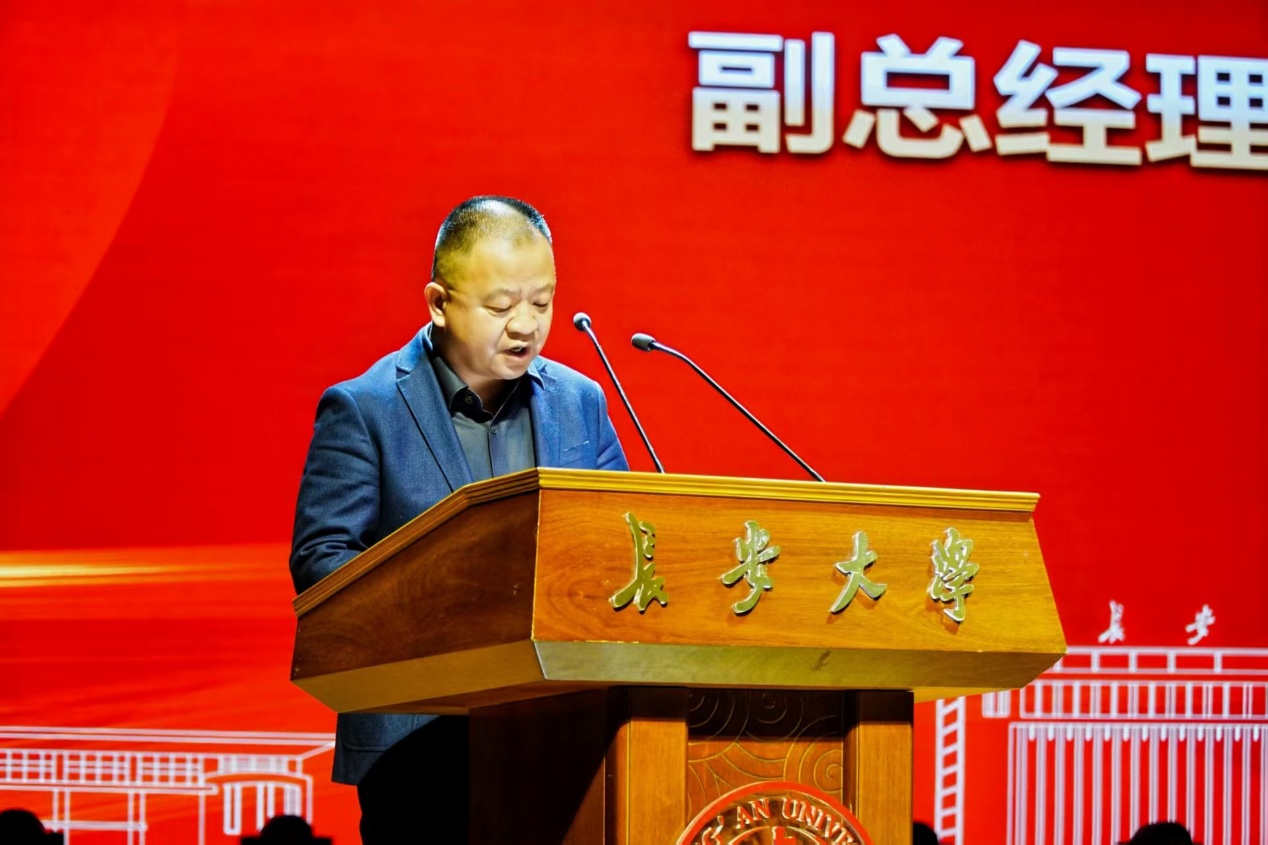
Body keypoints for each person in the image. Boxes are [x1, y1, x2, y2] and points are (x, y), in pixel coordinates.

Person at [289, 195, 629, 842]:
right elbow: (323, 562)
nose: (526, 325)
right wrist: (456, 603)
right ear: (439, 303)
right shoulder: (365, 409)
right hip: (416, 740)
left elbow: (621, 541)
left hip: (561, 732)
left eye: (542, 302)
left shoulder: (580, 402)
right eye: (501, 307)